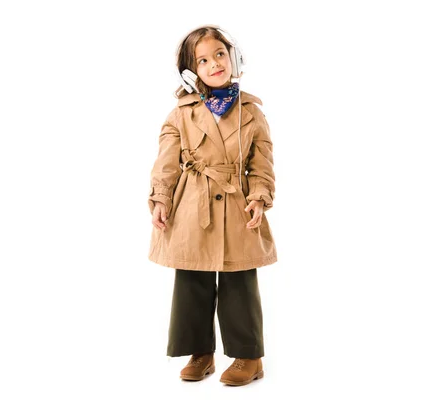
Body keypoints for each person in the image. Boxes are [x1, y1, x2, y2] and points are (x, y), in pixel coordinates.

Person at [147, 25, 278, 386]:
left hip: (237, 204)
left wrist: (259, 198)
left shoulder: (251, 111)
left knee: (239, 280)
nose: (214, 63)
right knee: (191, 278)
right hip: (193, 203)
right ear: (191, 72)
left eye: (219, 54)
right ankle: (199, 351)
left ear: (234, 57)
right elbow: (166, 161)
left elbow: (262, 161)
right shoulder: (180, 114)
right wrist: (160, 198)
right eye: (202, 60)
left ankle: (249, 357)